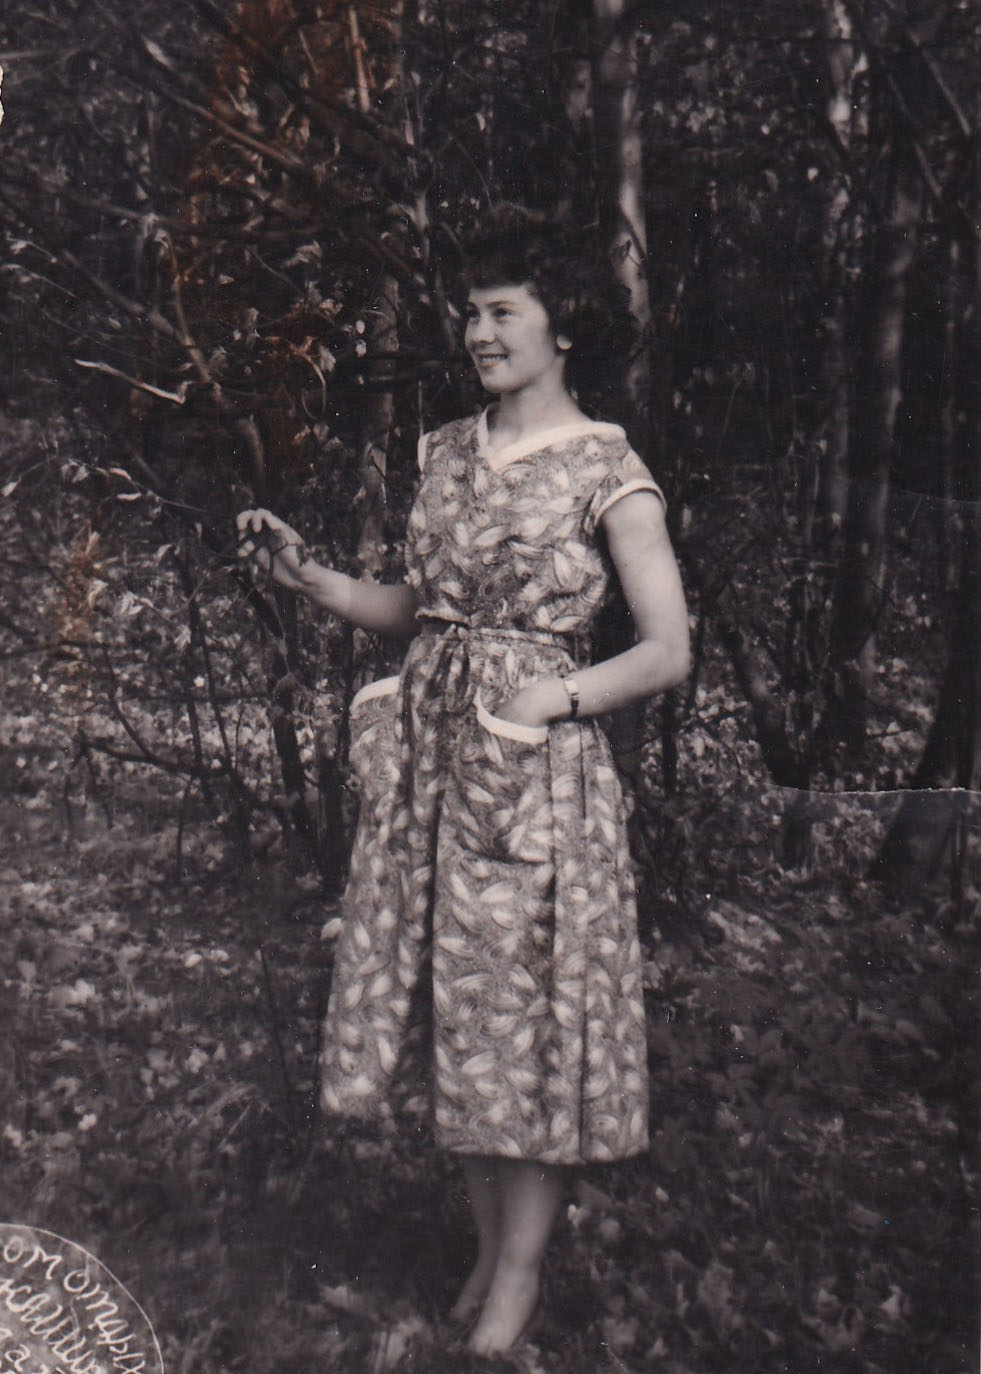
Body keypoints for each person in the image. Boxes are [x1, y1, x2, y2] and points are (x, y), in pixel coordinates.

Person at [236, 205, 690, 1355]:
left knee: (520, 1017)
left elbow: (666, 650)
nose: (478, 333)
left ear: (562, 326)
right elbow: (420, 609)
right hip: (435, 768)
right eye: (470, 314)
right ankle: (489, 1251)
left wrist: (551, 699)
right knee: (464, 1013)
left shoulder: (607, 469)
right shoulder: (444, 450)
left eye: (502, 312)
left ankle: (519, 1279)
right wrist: (313, 580)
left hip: (532, 778)